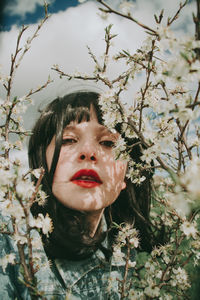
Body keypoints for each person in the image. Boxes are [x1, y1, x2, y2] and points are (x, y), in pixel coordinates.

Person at [0, 90, 152, 299]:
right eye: (69, 139)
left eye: (107, 143)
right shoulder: (9, 236)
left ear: (127, 175)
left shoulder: (134, 258)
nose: (88, 152)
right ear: (41, 161)